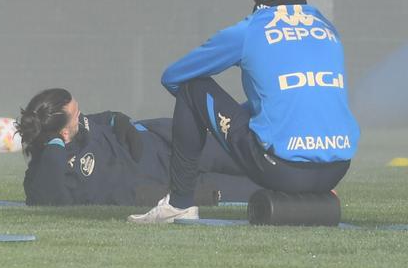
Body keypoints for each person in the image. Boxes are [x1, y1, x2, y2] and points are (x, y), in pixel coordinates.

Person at [127, 0, 359, 223]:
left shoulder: (249, 31)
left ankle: (179, 203)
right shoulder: (328, 28)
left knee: (192, 88)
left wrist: (211, 121)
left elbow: (173, 75)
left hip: (281, 169)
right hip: (336, 169)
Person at [15, 89, 253, 208]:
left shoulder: (76, 129)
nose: (82, 115)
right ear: (63, 134)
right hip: (176, 183)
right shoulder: (50, 170)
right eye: (76, 115)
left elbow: (102, 118)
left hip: (172, 143)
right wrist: (54, 147)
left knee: (255, 157)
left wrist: (118, 120)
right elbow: (51, 198)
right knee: (257, 188)